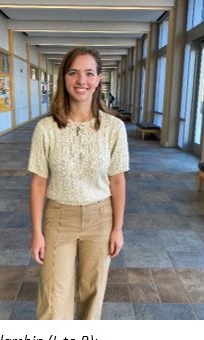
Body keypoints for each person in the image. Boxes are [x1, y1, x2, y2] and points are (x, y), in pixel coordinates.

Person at [28, 47, 129, 320]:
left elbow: (117, 180)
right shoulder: (46, 128)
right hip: (59, 217)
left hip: (100, 217)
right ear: (64, 78)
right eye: (73, 72)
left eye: (88, 73)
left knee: (92, 293)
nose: (80, 80)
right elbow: (39, 182)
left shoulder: (114, 128)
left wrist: (117, 228)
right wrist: (37, 232)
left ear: (98, 80)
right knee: (53, 298)